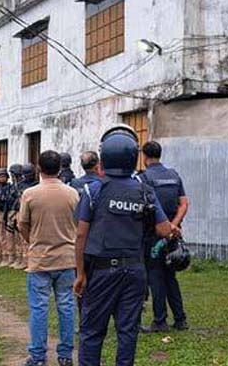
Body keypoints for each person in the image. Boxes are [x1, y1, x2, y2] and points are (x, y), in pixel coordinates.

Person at [74, 125, 177, 366]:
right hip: (134, 271)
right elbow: (163, 229)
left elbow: (81, 235)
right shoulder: (144, 191)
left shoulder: (92, 191)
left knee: (91, 332)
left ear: (104, 159)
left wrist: (80, 273)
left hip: (99, 271)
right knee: (127, 331)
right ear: (133, 158)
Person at [17, 150, 79, 366]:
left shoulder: (30, 194)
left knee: (39, 308)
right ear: (60, 168)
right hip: (67, 259)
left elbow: (22, 224)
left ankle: (37, 356)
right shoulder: (72, 193)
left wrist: (33, 241)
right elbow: (78, 225)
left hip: (40, 259)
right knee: (67, 306)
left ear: (38, 168)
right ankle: (65, 355)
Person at [137, 141, 190, 333]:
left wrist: (165, 227)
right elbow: (184, 203)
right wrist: (173, 226)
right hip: (173, 235)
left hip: (153, 235)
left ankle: (160, 320)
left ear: (144, 156)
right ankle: (180, 319)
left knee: (155, 276)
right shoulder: (174, 175)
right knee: (170, 276)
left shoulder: (143, 179)